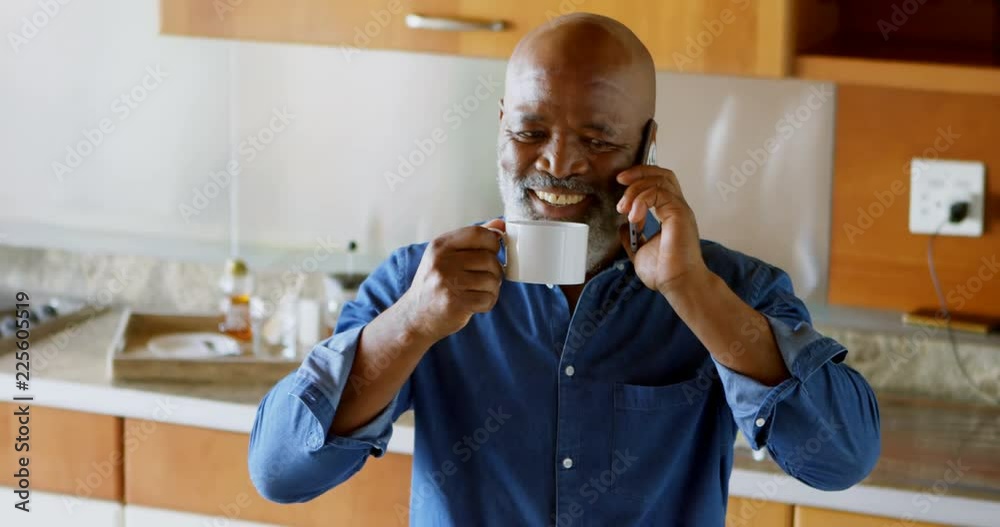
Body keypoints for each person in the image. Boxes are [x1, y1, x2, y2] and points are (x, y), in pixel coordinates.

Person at [248, 13, 880, 526]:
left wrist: (692, 291)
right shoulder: (421, 283)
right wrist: (411, 324)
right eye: (530, 131)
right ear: (501, 126)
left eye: (598, 141)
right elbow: (279, 472)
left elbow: (840, 460)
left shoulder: (730, 289)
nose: (558, 162)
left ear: (647, 144)